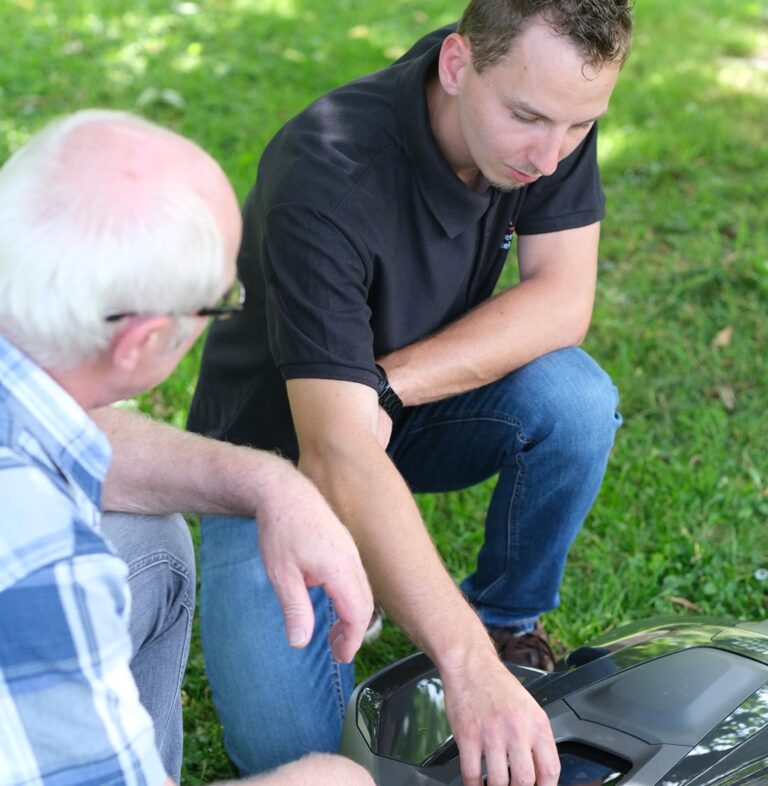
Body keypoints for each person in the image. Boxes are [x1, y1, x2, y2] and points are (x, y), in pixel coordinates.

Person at [186, 1, 634, 784]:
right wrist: (460, 668)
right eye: (528, 120)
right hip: (278, 455)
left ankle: (505, 621)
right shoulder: (326, 170)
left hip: (391, 411)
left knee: (576, 399)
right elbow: (332, 447)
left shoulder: (549, 106)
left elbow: (565, 299)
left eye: (578, 127)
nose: (550, 156)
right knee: (297, 758)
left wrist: (388, 390)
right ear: (457, 66)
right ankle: (445, 623)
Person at [0, 109, 374, 786]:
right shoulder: (43, 559)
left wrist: (273, 482)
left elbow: (67, 436)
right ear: (141, 341)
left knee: (149, 543)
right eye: (220, 302)